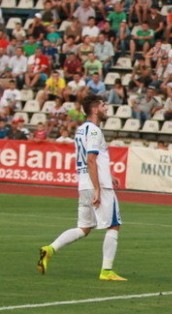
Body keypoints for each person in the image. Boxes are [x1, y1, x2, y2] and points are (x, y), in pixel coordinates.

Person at [37, 95, 126, 281]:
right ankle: (106, 271)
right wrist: (98, 189)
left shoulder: (81, 130)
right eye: (103, 105)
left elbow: (91, 160)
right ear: (94, 109)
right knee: (114, 225)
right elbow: (91, 159)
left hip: (84, 184)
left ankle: (50, 249)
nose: (106, 108)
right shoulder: (94, 131)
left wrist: (108, 175)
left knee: (84, 228)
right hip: (97, 186)